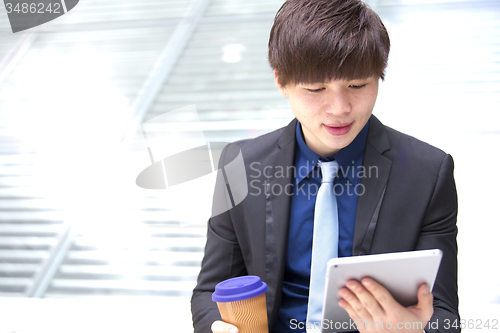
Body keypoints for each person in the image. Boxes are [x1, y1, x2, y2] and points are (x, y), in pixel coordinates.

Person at [191, 0, 459, 332]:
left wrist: (413, 329)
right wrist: (219, 327)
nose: (339, 108)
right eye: (316, 89)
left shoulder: (427, 173)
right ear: (281, 82)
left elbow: (445, 316)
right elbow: (209, 291)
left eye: (358, 85)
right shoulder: (241, 166)